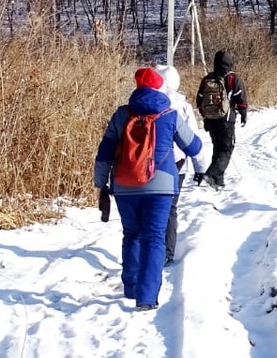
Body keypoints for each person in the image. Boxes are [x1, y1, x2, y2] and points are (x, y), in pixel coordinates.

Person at [94, 66, 203, 310]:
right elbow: (194, 147)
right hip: (162, 185)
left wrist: (100, 183)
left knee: (131, 234)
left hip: (124, 184)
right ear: (160, 87)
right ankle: (146, 297)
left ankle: (131, 287)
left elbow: (104, 152)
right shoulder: (170, 114)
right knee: (154, 237)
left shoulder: (121, 115)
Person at [154, 64, 210, 266]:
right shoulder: (183, 106)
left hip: (150, 165)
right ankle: (167, 252)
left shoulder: (148, 103)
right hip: (177, 165)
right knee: (170, 208)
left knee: (151, 208)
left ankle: (150, 251)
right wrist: (200, 168)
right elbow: (193, 140)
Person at [198, 49, 248, 190]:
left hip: (211, 119)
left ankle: (218, 182)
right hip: (227, 119)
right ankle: (212, 175)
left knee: (218, 148)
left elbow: (199, 100)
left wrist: (206, 117)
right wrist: (243, 114)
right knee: (227, 148)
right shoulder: (233, 78)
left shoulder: (207, 79)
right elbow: (241, 98)